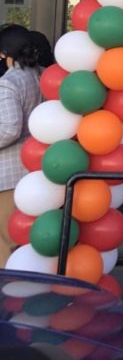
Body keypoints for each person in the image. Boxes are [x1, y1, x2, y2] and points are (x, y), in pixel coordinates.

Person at [0, 25, 41, 267]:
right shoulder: (41, 75)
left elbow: (8, 128)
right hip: (34, 172)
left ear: (5, 53)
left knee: (4, 243)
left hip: (8, 175)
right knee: (24, 241)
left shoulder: (9, 82)